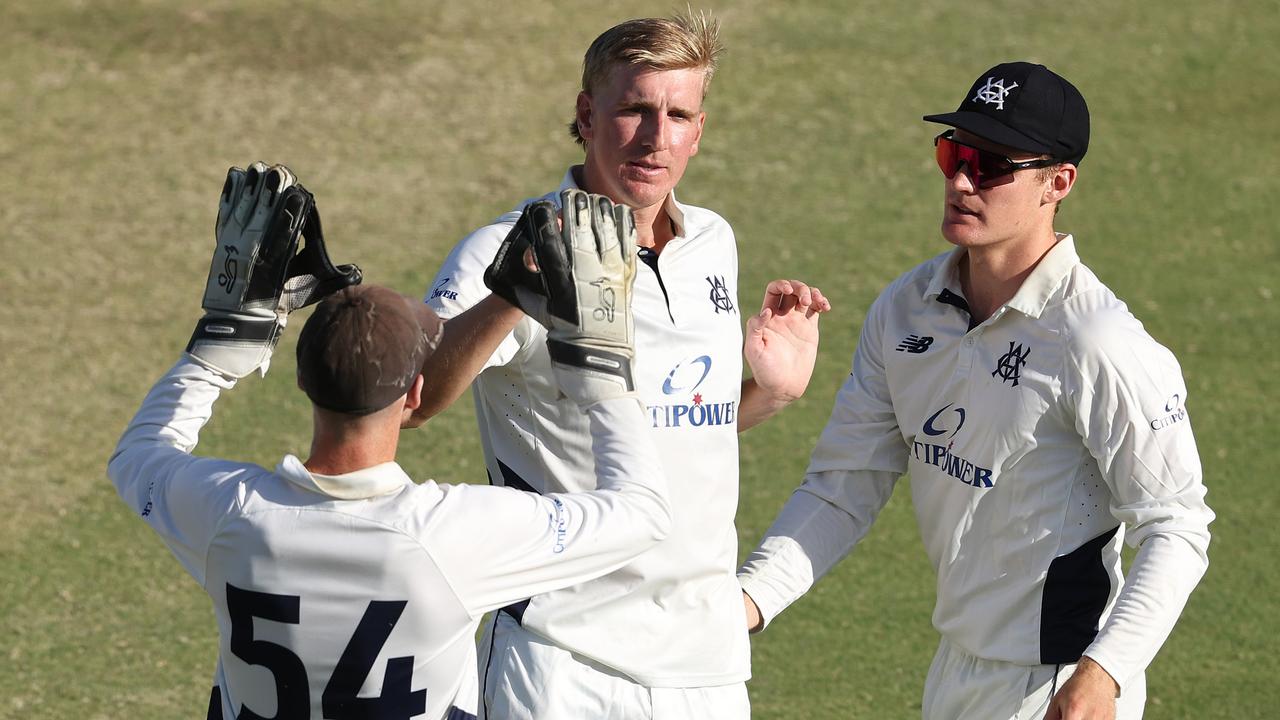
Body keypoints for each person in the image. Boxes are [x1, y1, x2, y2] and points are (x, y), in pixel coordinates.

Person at [109, 163, 672, 720]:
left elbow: (138, 456)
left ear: (303, 382)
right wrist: (600, 373)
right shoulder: (455, 535)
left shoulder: (231, 512)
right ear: (414, 394)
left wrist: (221, 343)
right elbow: (643, 513)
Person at [738, 62, 1214, 720]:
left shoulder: (1099, 342)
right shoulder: (904, 309)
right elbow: (846, 484)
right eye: (954, 154)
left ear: (1059, 182)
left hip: (1058, 687)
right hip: (954, 675)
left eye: (992, 166)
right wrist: (745, 603)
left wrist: (1103, 674)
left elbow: (1179, 525)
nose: (962, 180)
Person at [411, 12, 830, 720]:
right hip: (563, 658)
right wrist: (513, 297)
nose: (654, 137)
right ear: (587, 114)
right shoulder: (502, 248)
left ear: (699, 129)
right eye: (635, 109)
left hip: (707, 666)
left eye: (677, 115)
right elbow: (414, 397)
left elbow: (674, 433)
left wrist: (769, 394)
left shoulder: (713, 245)